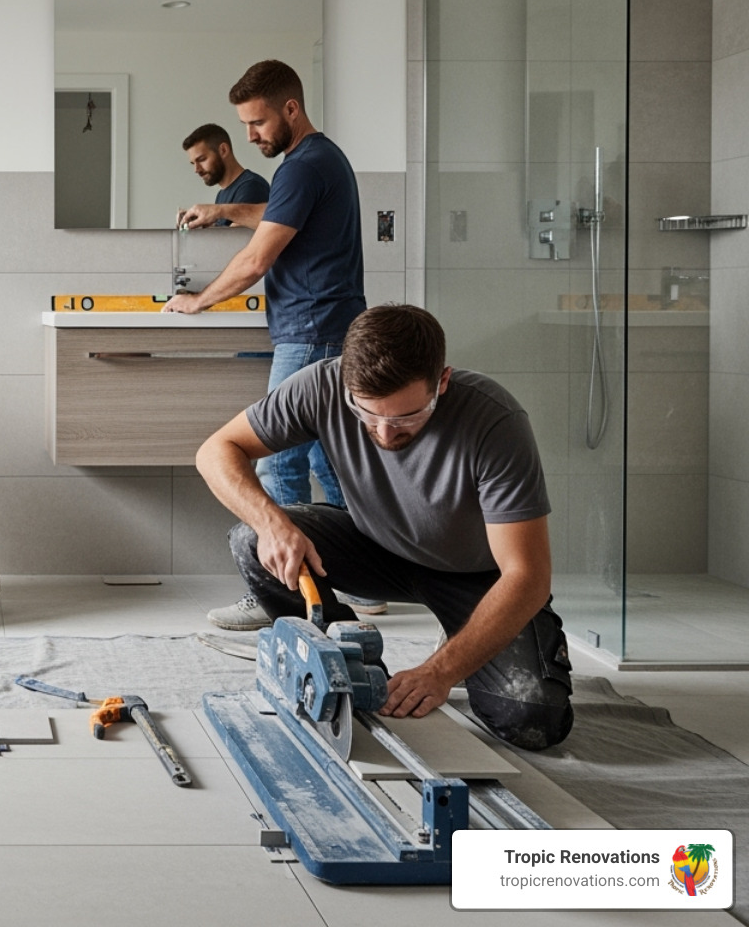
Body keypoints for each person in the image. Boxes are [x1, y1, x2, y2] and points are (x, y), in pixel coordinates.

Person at [197, 305, 573, 751]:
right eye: (367, 413)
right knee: (254, 539)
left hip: (476, 578)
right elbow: (217, 449)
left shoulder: (495, 422)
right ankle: (349, 668)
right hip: (377, 548)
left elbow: (527, 575)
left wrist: (440, 672)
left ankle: (460, 639)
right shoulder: (323, 384)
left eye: (406, 417)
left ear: (443, 382)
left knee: (533, 721)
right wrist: (271, 522)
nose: (385, 433)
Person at [165, 59, 376, 629]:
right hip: (332, 325)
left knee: (279, 463)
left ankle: (276, 593)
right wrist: (225, 210)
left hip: (309, 328)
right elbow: (280, 213)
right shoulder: (317, 159)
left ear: (290, 108)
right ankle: (360, 577)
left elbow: (258, 259)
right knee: (330, 460)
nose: (250, 136)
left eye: (256, 123)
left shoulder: (302, 166)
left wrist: (198, 300)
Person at [180, 123, 269, 225]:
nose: (196, 169)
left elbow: (234, 239)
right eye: (193, 163)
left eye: (201, 159)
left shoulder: (252, 188)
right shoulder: (221, 195)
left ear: (223, 150)